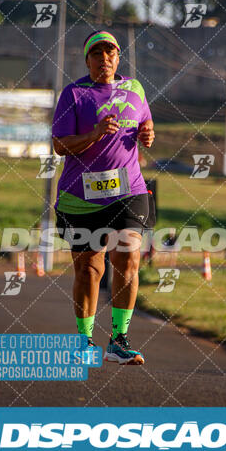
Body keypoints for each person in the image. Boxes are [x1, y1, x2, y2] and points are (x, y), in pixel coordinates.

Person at [52, 30, 155, 365]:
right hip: (81, 196)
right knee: (90, 269)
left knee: (128, 257)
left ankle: (119, 340)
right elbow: (59, 146)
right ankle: (83, 342)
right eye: (97, 54)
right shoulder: (75, 94)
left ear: (118, 58)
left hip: (129, 190)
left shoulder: (135, 88)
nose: (104, 59)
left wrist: (148, 132)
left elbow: (145, 120)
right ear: (87, 60)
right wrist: (94, 135)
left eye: (110, 53)